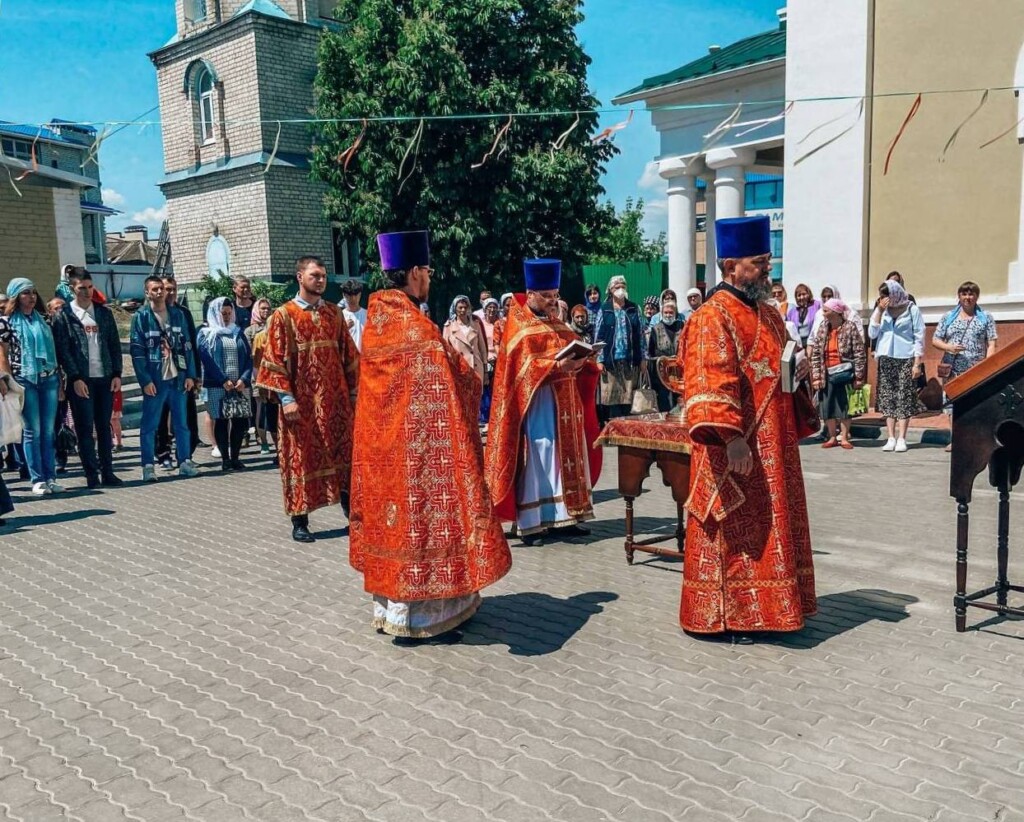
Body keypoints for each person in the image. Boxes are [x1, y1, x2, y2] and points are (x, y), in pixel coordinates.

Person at [350, 232, 511, 641]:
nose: (430, 278)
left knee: (393, 525)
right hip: (415, 450)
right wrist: (467, 373)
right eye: (428, 271)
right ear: (415, 272)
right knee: (423, 524)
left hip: (380, 448)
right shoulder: (415, 327)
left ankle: (391, 609)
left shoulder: (378, 322)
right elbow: (446, 378)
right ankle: (424, 616)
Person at [679, 215, 817, 635]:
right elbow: (707, 381)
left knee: (771, 521)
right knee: (735, 531)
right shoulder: (711, 317)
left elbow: (779, 367)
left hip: (776, 442)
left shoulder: (771, 315)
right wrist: (733, 439)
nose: (767, 270)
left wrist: (801, 370)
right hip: (734, 446)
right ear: (730, 266)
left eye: (768, 261)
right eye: (759, 262)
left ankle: (774, 608)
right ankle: (729, 616)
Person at [486, 259, 602, 546]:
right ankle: (533, 524)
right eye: (547, 296)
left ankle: (567, 517)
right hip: (536, 405)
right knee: (541, 455)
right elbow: (519, 370)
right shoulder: (519, 327)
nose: (553, 301)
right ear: (532, 292)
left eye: (555, 295)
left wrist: (588, 360)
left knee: (569, 457)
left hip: (566, 403)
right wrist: (554, 367)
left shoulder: (557, 324)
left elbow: (573, 349)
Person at [255, 256, 358, 543]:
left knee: (344, 457)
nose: (321, 280)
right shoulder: (283, 316)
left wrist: (353, 395)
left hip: (336, 405)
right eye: (315, 275)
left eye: (324, 275)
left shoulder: (334, 315)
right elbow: (273, 361)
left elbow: (350, 358)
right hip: (301, 406)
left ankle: (353, 514)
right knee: (300, 458)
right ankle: (300, 521)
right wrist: (286, 398)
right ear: (300, 277)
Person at [51, 269, 123, 488]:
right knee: (84, 429)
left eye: (90, 287)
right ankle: (91, 474)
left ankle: (108, 471)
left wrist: (117, 373)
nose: (87, 292)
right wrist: (74, 377)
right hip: (82, 380)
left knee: (104, 426)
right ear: (72, 288)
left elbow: (114, 344)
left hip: (105, 377)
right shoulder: (64, 315)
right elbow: (63, 349)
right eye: (82, 288)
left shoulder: (103, 313)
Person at [130, 276, 200, 482]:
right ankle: (148, 465)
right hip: (155, 379)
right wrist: (145, 380)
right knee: (150, 424)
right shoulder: (142, 317)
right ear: (147, 293)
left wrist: (190, 375)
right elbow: (137, 351)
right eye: (155, 289)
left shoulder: (177, 314)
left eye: (162, 289)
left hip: (177, 378)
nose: (160, 292)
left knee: (182, 423)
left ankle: (185, 461)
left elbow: (187, 346)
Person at [0, 279, 63, 495]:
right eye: (26, 293)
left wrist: (60, 382)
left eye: (33, 292)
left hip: (49, 377)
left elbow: (54, 350)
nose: (32, 297)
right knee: (32, 430)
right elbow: (3, 356)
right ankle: (37, 478)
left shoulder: (44, 319)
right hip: (25, 380)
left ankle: (51, 476)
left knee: (48, 431)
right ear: (16, 297)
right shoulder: (6, 322)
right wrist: (8, 383)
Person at [933, 280, 997, 452]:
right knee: (952, 403)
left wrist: (988, 364)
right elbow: (935, 340)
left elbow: (991, 342)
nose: (968, 297)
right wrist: (949, 347)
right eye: (964, 294)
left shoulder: (985, 318)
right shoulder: (948, 317)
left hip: (975, 368)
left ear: (977, 296)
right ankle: (955, 439)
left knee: (975, 403)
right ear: (959, 296)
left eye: (971, 294)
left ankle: (975, 439)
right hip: (952, 368)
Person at [869, 279, 925, 453]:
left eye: (886, 295)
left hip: (905, 357)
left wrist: (917, 363)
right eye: (882, 296)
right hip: (886, 357)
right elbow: (872, 333)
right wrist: (879, 310)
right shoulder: (882, 310)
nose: (884, 298)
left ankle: (902, 438)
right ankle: (891, 437)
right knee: (888, 396)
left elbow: (919, 336)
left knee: (903, 396)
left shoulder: (911, 309)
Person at [198, 298, 253, 472]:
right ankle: (225, 459)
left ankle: (236, 457)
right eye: (223, 314)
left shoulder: (238, 332)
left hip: (239, 386)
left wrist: (244, 379)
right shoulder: (206, 334)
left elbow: (249, 358)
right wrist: (223, 380)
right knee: (221, 421)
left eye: (229, 313)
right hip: (217, 385)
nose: (227, 317)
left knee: (239, 422)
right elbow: (207, 359)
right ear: (215, 313)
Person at [155, 276, 201, 468]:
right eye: (167, 289)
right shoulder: (152, 314)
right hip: (161, 373)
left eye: (173, 289)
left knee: (187, 414)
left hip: (183, 373)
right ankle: (163, 452)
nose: (171, 293)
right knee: (161, 415)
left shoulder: (183, 313)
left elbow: (191, 344)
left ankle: (186, 453)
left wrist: (195, 374)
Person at [810, 298, 867, 450]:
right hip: (826, 372)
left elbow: (859, 353)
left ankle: (845, 437)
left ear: (836, 312)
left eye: (826, 310)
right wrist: (816, 376)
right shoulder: (823, 327)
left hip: (844, 373)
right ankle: (832, 437)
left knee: (845, 406)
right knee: (827, 406)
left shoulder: (850, 327)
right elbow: (816, 353)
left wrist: (859, 376)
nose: (823, 313)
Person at [594, 274, 644, 423]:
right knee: (613, 401)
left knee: (629, 400)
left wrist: (642, 358)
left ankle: (628, 434)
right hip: (610, 362)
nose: (620, 290)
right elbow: (598, 336)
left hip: (629, 361)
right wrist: (599, 358)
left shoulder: (634, 308)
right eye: (617, 287)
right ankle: (615, 431)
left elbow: (640, 335)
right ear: (610, 290)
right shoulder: (604, 310)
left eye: (623, 286)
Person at [245, 298, 278, 457]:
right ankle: (264, 442)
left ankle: (279, 448)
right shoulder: (257, 335)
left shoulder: (279, 336)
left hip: (277, 380)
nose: (266, 312)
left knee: (275, 414)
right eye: (262, 309)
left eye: (268, 309)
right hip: (260, 378)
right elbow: (254, 361)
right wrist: (260, 382)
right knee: (262, 410)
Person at [647, 292, 685, 412]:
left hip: (679, 371)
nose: (668, 315)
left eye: (671, 313)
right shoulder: (655, 328)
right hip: (662, 371)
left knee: (678, 399)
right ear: (662, 313)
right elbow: (651, 352)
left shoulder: (682, 326)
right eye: (666, 313)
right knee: (663, 399)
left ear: (675, 313)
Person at [442, 295, 488, 386]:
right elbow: (445, 350)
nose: (463, 310)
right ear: (455, 309)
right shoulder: (449, 327)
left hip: (476, 367)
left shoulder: (475, 325)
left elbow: (482, 349)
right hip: (459, 369)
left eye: (465, 307)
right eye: (460, 308)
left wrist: (486, 371)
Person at [479, 297, 500, 425]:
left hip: (498, 358)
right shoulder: (480, 323)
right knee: (485, 389)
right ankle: (485, 418)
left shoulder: (501, 323)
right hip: (486, 359)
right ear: (485, 309)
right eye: (489, 307)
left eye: (494, 307)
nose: (492, 310)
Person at [786, 284, 820, 350]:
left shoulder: (816, 305)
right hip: (798, 347)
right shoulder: (792, 312)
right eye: (799, 295)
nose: (801, 297)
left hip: (813, 345)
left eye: (804, 294)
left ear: (809, 294)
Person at [340, 279, 367, 353]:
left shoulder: (368, 315)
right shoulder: (339, 317)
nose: (353, 298)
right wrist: (344, 329)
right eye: (349, 295)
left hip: (365, 360)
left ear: (360, 294)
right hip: (348, 362)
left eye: (356, 294)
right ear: (344, 295)